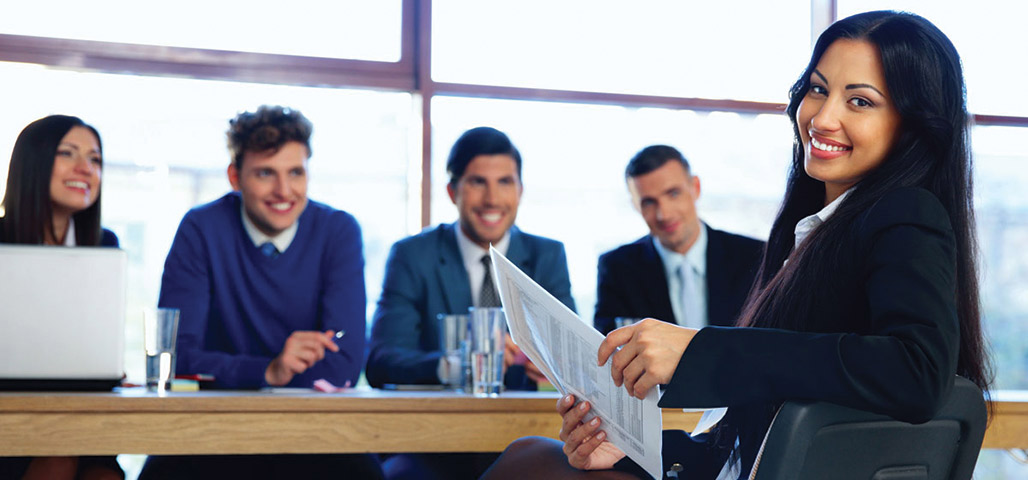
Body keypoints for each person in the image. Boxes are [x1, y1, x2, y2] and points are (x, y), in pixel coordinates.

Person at [482, 10, 993, 480]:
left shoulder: (905, 212)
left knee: (524, 460)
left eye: (859, 101)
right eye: (818, 90)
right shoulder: (813, 235)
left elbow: (918, 370)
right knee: (531, 454)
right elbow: (755, 441)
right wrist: (632, 448)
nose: (822, 117)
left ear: (912, 125)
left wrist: (698, 350)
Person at [139, 106, 382, 479]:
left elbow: (345, 361)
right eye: (266, 173)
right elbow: (180, 358)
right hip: (214, 427)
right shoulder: (201, 229)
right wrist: (269, 370)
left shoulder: (338, 231)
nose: (284, 191)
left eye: (296, 173)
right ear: (235, 177)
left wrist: (240, 373)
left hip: (313, 430)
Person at [366, 126, 576, 479]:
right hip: (432, 442)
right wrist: (463, 361)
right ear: (453, 191)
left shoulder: (548, 255)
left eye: (505, 182)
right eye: (478, 182)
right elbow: (381, 361)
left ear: (520, 190)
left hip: (526, 436)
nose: (493, 199)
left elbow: (572, 360)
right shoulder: (412, 255)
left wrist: (548, 367)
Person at [0, 115, 122, 480]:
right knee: (57, 462)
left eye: (95, 159)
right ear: (34, 163)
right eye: (68, 154)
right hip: (12, 415)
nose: (85, 169)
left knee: (104, 475)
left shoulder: (104, 245)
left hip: (83, 409)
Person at [594, 145, 763, 334]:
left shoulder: (755, 257)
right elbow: (607, 348)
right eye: (649, 202)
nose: (664, 214)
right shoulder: (617, 268)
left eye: (673, 194)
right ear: (635, 205)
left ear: (696, 188)